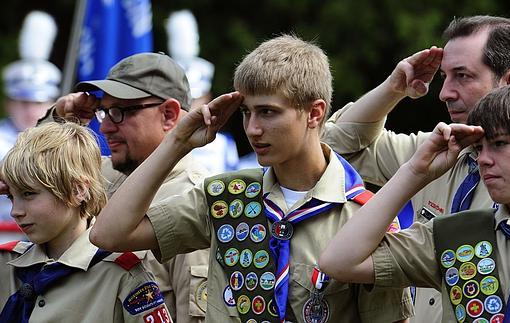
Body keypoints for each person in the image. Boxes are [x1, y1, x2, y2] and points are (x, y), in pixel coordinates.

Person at [89, 34, 412, 323]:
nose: (253, 129)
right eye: (246, 112)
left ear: (315, 113)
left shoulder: (365, 217)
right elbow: (109, 234)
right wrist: (176, 143)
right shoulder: (226, 197)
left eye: (268, 112)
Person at [321, 15, 510, 321]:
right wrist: (393, 89)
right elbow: (337, 146)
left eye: (463, 76)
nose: (444, 93)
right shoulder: (438, 151)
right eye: (444, 77)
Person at [39, 52, 209, 323]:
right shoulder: (104, 174)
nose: (104, 127)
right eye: (103, 111)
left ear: (169, 114)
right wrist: (58, 120)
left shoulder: (194, 200)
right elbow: (25, 179)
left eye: (120, 112)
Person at [0, 122, 172, 322]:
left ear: (78, 190)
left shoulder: (121, 275)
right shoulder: (7, 265)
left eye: (28, 194)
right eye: (11, 197)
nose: (15, 211)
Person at [0, 11, 61, 243]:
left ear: (52, 103)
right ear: (9, 103)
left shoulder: (64, 141)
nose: (31, 111)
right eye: (23, 102)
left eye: (38, 103)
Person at [166, 9, 240, 175]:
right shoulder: (161, 141)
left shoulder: (223, 144)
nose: (189, 106)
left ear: (207, 98)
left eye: (195, 99)